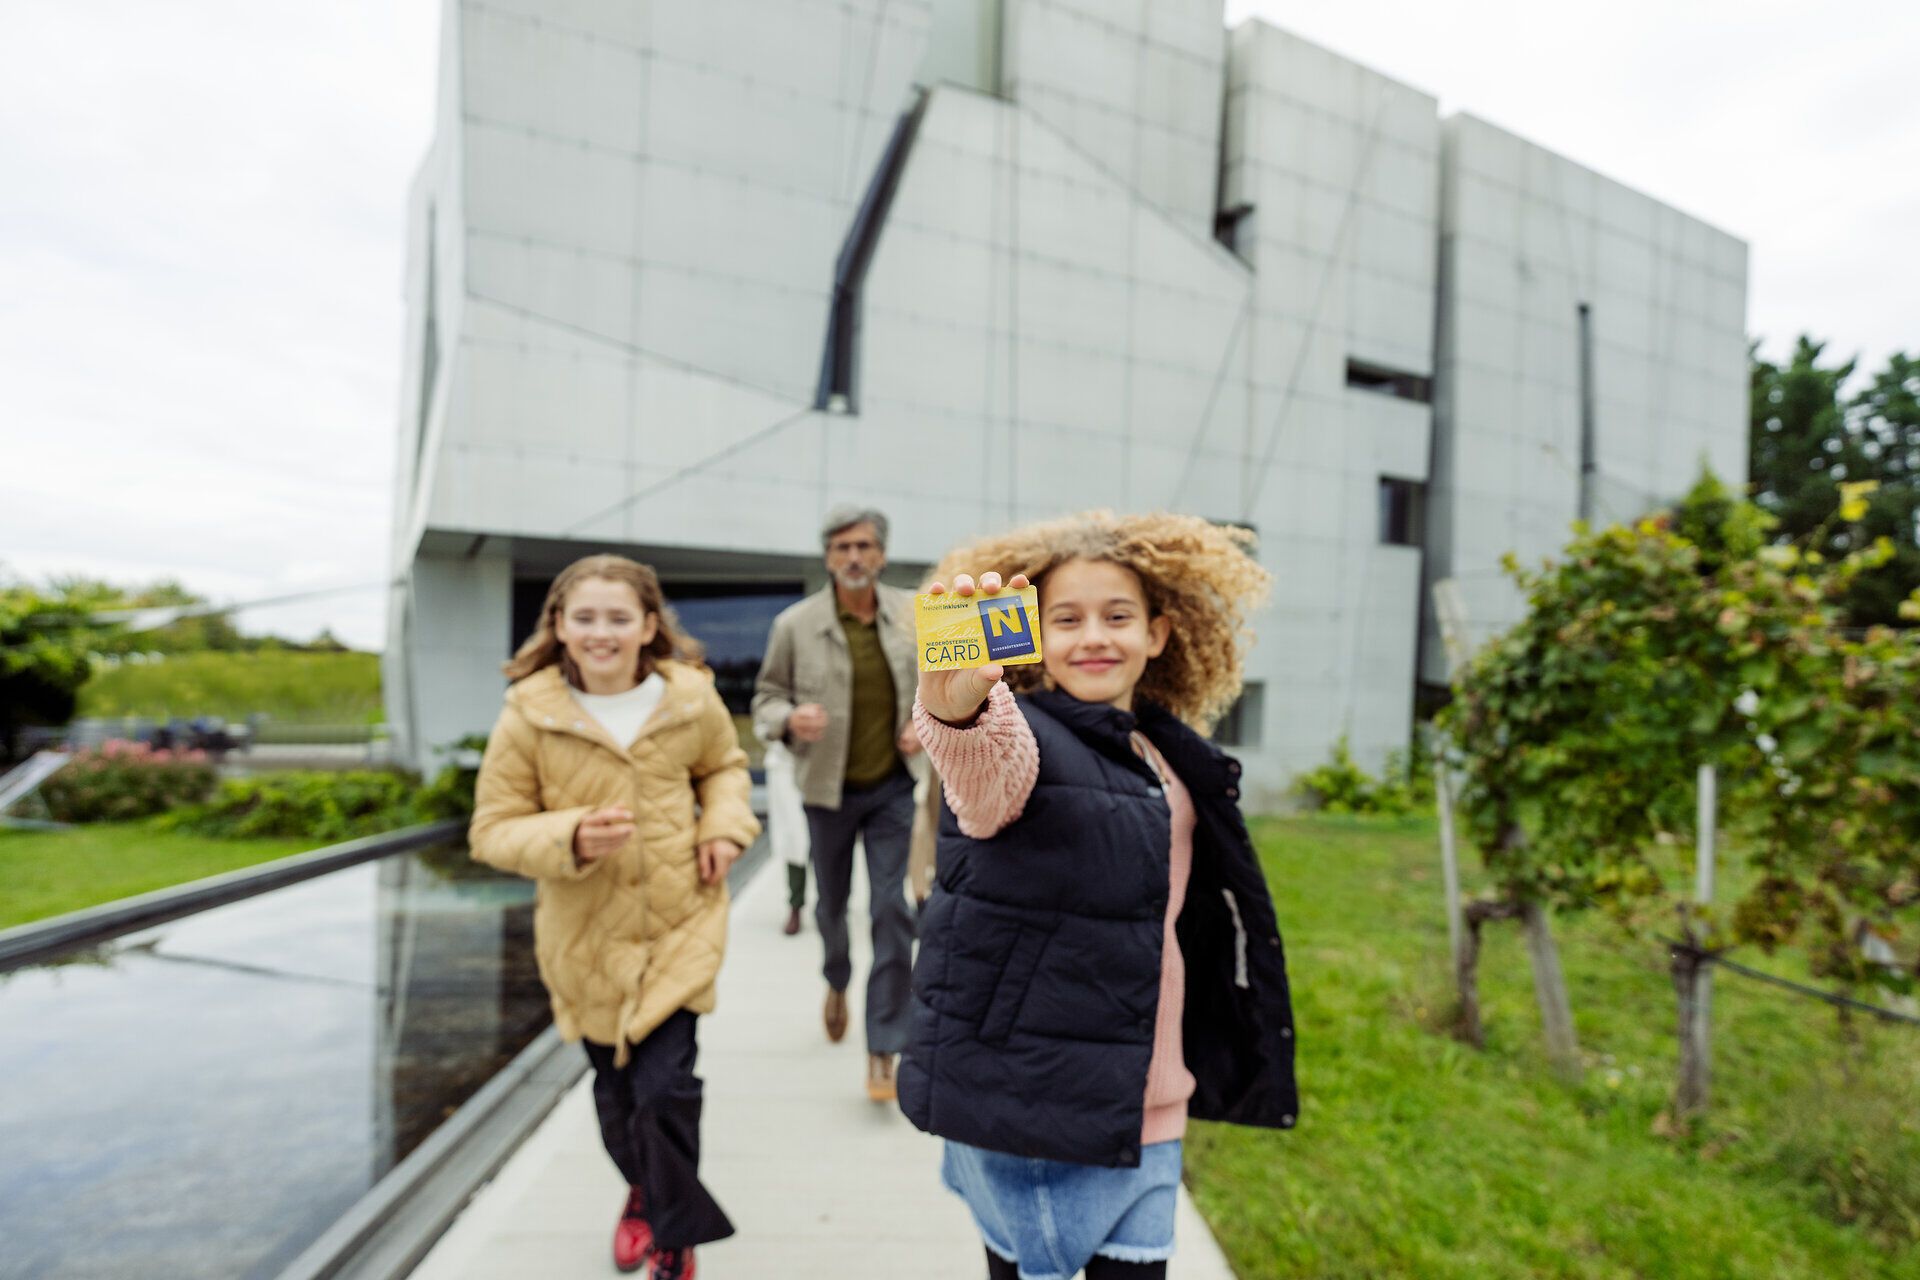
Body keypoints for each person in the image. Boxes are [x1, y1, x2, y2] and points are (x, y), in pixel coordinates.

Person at [901, 511, 1299, 1280]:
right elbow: (985, 773)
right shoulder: (1025, 733)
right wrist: (956, 710)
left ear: (1158, 633)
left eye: (1117, 617)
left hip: (1149, 1095)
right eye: (1066, 619)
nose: (1093, 637)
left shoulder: (1163, 748)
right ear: (1031, 636)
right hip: (1034, 1101)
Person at [470, 554, 759, 1279]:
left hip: (680, 927)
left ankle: (673, 1240)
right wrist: (567, 837)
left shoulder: (689, 698)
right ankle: (645, 1192)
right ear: (560, 626)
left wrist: (725, 828)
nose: (602, 632)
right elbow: (492, 830)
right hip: (585, 941)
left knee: (666, 1091)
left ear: (648, 625)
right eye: (586, 617)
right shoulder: (528, 714)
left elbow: (725, 769)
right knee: (618, 1098)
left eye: (619, 617)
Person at [751, 506, 924, 1103]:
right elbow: (766, 698)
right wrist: (789, 718)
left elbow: (947, 685)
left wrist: (925, 721)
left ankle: (884, 1044)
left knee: (891, 910)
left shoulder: (915, 616)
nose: (854, 557)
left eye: (864, 546)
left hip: (893, 788)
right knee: (831, 907)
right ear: (828, 558)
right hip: (826, 791)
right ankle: (837, 978)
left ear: (882, 555)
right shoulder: (794, 625)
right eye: (842, 547)